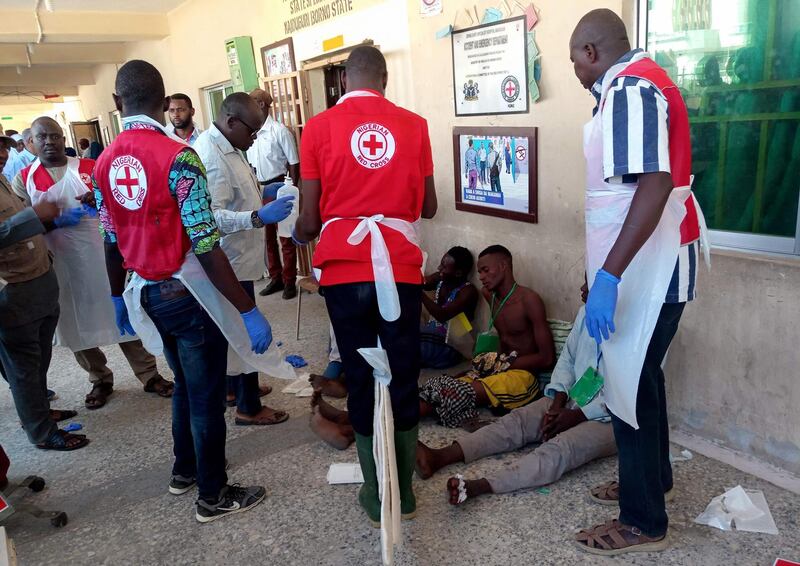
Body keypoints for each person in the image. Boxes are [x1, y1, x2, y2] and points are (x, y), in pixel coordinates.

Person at [93, 60, 268, 522]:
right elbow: (206, 244)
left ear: (117, 103)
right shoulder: (178, 157)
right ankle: (213, 495)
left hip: (145, 292)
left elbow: (111, 240)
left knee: (186, 389)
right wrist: (247, 309)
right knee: (206, 395)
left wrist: (116, 297)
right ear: (164, 99)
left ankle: (184, 470)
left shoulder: (104, 163)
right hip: (186, 292)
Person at [569, 9, 703, 555]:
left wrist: (609, 274)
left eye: (574, 58)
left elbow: (653, 184)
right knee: (645, 381)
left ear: (592, 52)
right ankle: (652, 480)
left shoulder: (628, 89)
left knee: (628, 388)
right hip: (641, 269)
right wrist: (601, 271)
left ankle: (643, 520)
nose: (574, 69)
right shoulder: (634, 84)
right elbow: (616, 199)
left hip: (647, 273)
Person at [294, 45, 438, 526]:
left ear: (343, 82)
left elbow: (310, 219)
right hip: (399, 267)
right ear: (384, 79)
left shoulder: (316, 128)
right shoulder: (414, 125)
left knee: (359, 375)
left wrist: (300, 229)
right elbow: (430, 206)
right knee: (401, 372)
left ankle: (377, 498)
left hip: (343, 269)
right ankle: (407, 496)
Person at [13, 117, 174, 410]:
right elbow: (20, 225)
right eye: (42, 137)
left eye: (55, 136)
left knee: (122, 314)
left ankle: (149, 374)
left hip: (101, 258)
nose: (49, 142)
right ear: (30, 143)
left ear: (64, 139)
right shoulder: (24, 178)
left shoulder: (92, 168)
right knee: (76, 322)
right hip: (60, 264)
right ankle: (99, 378)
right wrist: (53, 221)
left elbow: (124, 206)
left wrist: (100, 202)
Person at [415, 306, 616, 503]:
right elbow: (568, 360)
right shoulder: (586, 311)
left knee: (562, 448)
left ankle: (481, 485)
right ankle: (440, 457)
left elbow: (632, 392)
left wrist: (577, 416)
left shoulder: (639, 323)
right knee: (517, 421)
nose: (583, 288)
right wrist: (558, 402)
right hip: (575, 396)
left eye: (589, 282)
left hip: (613, 417)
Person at [194, 92, 293, 426]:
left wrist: (263, 195)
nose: (255, 138)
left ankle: (239, 388)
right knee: (244, 333)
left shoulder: (231, 147)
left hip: (241, 260)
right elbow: (212, 217)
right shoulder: (210, 155)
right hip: (228, 264)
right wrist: (257, 217)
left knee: (235, 332)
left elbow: (237, 193)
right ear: (231, 121)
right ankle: (248, 406)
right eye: (252, 131)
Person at [0, 134, 89, 451]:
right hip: (13, 289)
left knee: (38, 360)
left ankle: (39, 412)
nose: (1, 154)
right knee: (23, 367)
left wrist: (54, 221)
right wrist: (33, 215)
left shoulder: (3, 181)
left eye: (1, 147)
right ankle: (41, 432)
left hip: (37, 279)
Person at [420, 245, 554, 426]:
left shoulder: (529, 300)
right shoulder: (489, 295)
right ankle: (395, 416)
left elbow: (547, 358)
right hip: (499, 368)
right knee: (436, 385)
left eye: (485, 270)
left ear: (504, 266)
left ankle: (403, 420)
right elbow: (504, 339)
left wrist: (505, 364)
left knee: (454, 391)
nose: (481, 277)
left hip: (522, 376)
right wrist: (487, 366)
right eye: (479, 272)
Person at [247, 88, 300, 299]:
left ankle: (289, 281)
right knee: (266, 236)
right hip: (258, 187)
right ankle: (275, 278)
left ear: (260, 104)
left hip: (279, 185)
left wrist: (292, 192)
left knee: (285, 236)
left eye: (250, 101)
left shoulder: (279, 131)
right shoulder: (250, 132)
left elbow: (294, 163)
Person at [420, 246, 479, 369]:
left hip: (452, 346)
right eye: (441, 264)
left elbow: (443, 315)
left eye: (444, 267)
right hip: (431, 339)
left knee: (406, 349)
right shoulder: (440, 279)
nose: (439, 268)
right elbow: (421, 282)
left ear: (458, 273)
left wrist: (418, 293)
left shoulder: (468, 291)